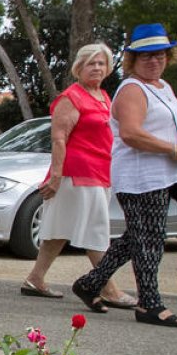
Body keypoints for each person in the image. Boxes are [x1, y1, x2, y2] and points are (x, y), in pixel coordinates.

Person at [72, 24, 177, 327]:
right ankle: (149, 303)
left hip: (162, 175)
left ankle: (89, 283)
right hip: (140, 177)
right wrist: (173, 149)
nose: (154, 61)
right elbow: (131, 133)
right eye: (146, 56)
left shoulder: (162, 87)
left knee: (137, 238)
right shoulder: (132, 88)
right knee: (149, 240)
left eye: (160, 54)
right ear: (133, 60)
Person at [22, 43, 134, 306]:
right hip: (78, 172)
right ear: (79, 68)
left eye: (101, 63)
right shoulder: (71, 97)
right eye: (90, 63)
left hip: (99, 170)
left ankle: (35, 278)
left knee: (58, 228)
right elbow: (59, 138)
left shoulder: (105, 97)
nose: (96, 68)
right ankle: (107, 287)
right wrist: (57, 176)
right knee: (96, 230)